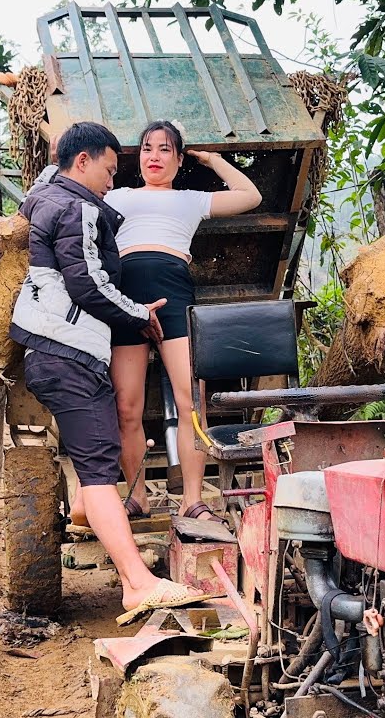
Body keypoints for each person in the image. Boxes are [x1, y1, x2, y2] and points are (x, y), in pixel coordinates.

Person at [9, 122, 203, 615]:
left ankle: (85, 509)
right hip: (67, 351)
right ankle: (137, 582)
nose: (111, 183)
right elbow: (89, 284)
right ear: (83, 161)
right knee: (98, 465)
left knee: (92, 459)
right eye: (108, 169)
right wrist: (143, 315)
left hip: (52, 350)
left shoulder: (42, 196)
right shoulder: (77, 208)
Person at [104, 120, 262, 524]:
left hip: (174, 296)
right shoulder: (116, 196)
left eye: (164, 149)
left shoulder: (191, 199)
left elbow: (251, 196)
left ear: (178, 158)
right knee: (126, 407)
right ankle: (136, 497)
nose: (154, 156)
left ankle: (193, 499)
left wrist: (212, 160)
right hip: (124, 299)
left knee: (191, 403)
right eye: (146, 148)